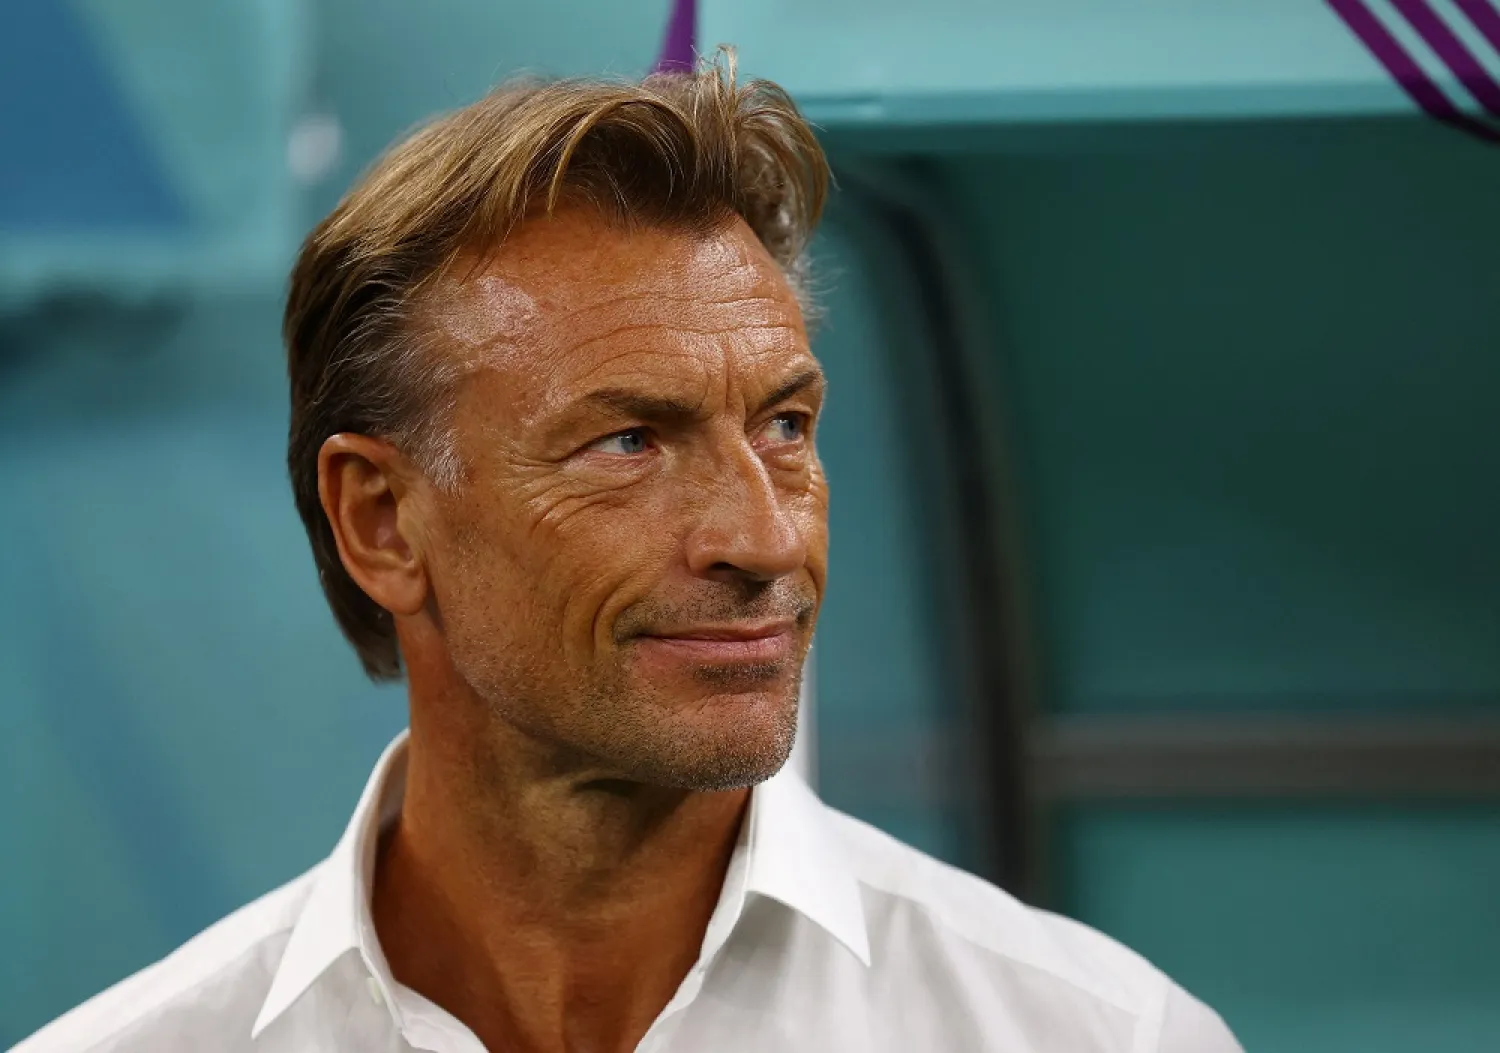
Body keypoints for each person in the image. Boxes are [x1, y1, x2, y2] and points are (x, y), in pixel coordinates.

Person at [18, 54, 1242, 1053]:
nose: (765, 538)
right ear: (383, 522)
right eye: (626, 442)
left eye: (786, 425)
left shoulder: (1096, 1035)